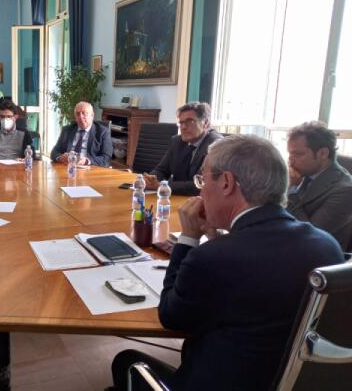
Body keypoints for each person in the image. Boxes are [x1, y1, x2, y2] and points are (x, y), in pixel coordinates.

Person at [109, 135, 344, 391]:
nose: (200, 191)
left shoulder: (211, 258)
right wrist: (218, 238)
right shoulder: (327, 245)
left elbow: (170, 315)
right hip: (288, 381)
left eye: (203, 180)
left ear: (227, 183)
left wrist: (188, 239)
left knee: (126, 361)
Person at [286, 121, 352, 250]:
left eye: (298, 154)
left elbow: (311, 237)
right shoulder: (303, 172)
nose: (290, 161)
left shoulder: (345, 190)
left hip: (314, 255)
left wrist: (290, 190)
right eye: (290, 154)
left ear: (323, 153)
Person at [144, 101, 222, 195]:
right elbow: (161, 170)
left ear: (205, 123)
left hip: (202, 199)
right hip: (176, 198)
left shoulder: (216, 145)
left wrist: (161, 186)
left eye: (190, 121)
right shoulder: (177, 141)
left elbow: (200, 184)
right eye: (181, 123)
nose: (183, 127)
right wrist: (150, 179)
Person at [50, 101, 113, 167]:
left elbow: (106, 158)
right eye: (78, 114)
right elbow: (54, 152)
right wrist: (61, 157)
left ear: (92, 115)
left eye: (84, 113)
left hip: (90, 169)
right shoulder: (67, 130)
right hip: (68, 167)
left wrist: (86, 161)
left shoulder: (103, 132)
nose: (80, 116)